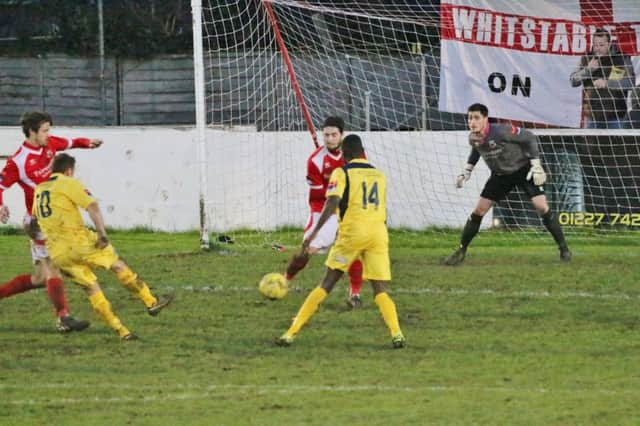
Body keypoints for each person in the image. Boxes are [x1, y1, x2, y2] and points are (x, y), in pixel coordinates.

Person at [276, 134, 405, 348]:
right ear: (363, 152)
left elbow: (333, 201)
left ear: (344, 154)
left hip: (353, 233)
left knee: (326, 283)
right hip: (378, 233)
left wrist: (314, 232)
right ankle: (397, 333)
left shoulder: (342, 172)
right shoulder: (380, 175)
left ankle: (290, 332)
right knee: (379, 289)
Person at [33, 153, 173, 340]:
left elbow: (33, 223)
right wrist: (102, 234)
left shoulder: (39, 190)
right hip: (80, 242)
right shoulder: (69, 183)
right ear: (69, 170)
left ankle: (121, 331)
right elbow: (92, 207)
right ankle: (151, 301)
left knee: (91, 288)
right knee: (117, 265)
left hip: (58, 253)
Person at [0, 111, 102, 332]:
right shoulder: (18, 161)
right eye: (45, 130)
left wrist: (89, 143)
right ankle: (63, 318)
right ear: (32, 132)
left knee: (39, 277)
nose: (49, 134)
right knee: (53, 267)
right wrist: (1, 205)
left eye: (49, 130)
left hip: (55, 220)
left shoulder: (50, 144)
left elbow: (71, 142)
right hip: (38, 223)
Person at [444, 103, 571, 266]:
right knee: (479, 210)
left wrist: (536, 165)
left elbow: (529, 137)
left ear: (485, 119)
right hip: (500, 176)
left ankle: (564, 249)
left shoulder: (501, 131)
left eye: (476, 118)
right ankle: (461, 251)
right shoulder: (473, 137)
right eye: (470, 118)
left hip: (522, 170)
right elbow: (477, 150)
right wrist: (467, 171)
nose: (472, 121)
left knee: (541, 207)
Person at [283, 116, 364, 308]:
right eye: (326, 135)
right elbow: (321, 197)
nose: (329, 139)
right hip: (323, 210)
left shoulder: (354, 155)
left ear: (341, 135)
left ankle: (355, 294)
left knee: (353, 251)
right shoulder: (315, 161)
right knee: (307, 249)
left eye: (334, 135)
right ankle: (285, 280)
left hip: (348, 210)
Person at [570, 28, 635, 129]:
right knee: (591, 145)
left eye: (601, 45)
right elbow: (573, 81)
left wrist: (607, 83)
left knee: (616, 145)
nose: (597, 48)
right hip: (592, 118)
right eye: (595, 45)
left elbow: (630, 83)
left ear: (609, 44)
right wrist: (588, 70)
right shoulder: (586, 58)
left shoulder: (622, 58)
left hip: (616, 118)